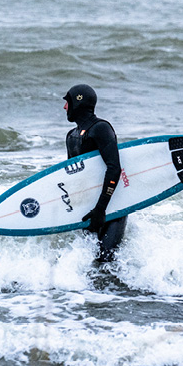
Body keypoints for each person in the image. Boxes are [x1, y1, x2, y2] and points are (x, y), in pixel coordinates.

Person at [63, 84, 127, 262]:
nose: (64, 107)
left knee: (106, 261)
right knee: (89, 262)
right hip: (87, 209)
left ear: (77, 102)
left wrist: (101, 209)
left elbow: (114, 168)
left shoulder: (101, 128)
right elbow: (73, 177)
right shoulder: (71, 136)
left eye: (67, 102)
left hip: (111, 208)